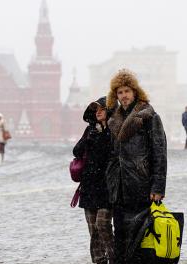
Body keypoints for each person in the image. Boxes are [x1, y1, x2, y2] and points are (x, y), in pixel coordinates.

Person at [105, 69, 167, 263]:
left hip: (141, 183)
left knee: (140, 235)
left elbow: (159, 152)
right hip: (119, 186)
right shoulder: (113, 118)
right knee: (121, 235)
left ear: (135, 92)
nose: (123, 96)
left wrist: (158, 186)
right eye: (120, 92)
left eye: (127, 91)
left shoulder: (149, 117)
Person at [73, 96, 115, 264]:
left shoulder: (114, 130)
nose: (98, 112)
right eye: (96, 110)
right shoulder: (90, 130)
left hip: (107, 186)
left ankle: (114, 258)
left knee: (103, 225)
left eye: (101, 109)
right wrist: (88, 139)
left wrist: (104, 135)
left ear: (109, 110)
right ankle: (99, 260)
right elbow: (76, 151)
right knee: (93, 230)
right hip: (89, 186)